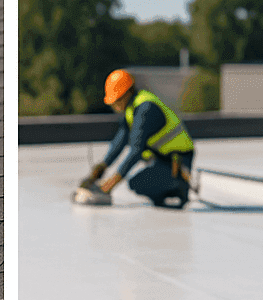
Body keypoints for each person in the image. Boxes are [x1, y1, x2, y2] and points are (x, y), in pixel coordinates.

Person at [83, 69, 195, 208]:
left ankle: (179, 188)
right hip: (164, 159)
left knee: (140, 183)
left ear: (127, 93)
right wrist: (101, 167)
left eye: (116, 100)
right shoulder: (131, 108)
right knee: (137, 183)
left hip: (178, 160)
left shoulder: (145, 109)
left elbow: (136, 151)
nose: (114, 105)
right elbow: (120, 141)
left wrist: (108, 186)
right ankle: (169, 190)